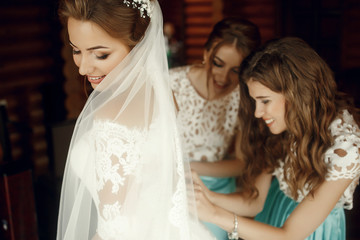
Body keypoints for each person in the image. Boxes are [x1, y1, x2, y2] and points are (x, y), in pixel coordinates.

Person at [56, 0, 215, 239]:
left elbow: (116, 228)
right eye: (76, 50)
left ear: (139, 45)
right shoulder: (162, 92)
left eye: (100, 54)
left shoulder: (111, 115)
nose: (83, 68)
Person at [192, 37, 360, 240]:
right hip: (273, 209)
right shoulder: (281, 126)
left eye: (265, 101)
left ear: (297, 94)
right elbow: (254, 202)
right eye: (255, 101)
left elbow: (290, 235)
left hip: (311, 230)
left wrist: (213, 213)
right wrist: (208, 197)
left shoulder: (346, 148)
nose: (257, 112)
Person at [169, 18, 261, 239]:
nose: (223, 76)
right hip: (170, 182)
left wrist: (191, 167)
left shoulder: (246, 98)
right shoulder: (171, 83)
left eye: (235, 70)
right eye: (218, 63)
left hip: (218, 188)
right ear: (206, 51)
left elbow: (241, 162)